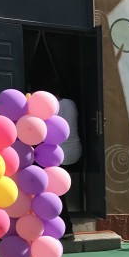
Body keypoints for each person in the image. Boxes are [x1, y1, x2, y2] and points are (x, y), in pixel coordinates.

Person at [56, 94, 82, 236]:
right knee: (59, 191)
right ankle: (65, 227)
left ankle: (66, 227)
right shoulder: (71, 103)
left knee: (57, 191)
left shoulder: (53, 108)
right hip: (75, 151)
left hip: (61, 155)